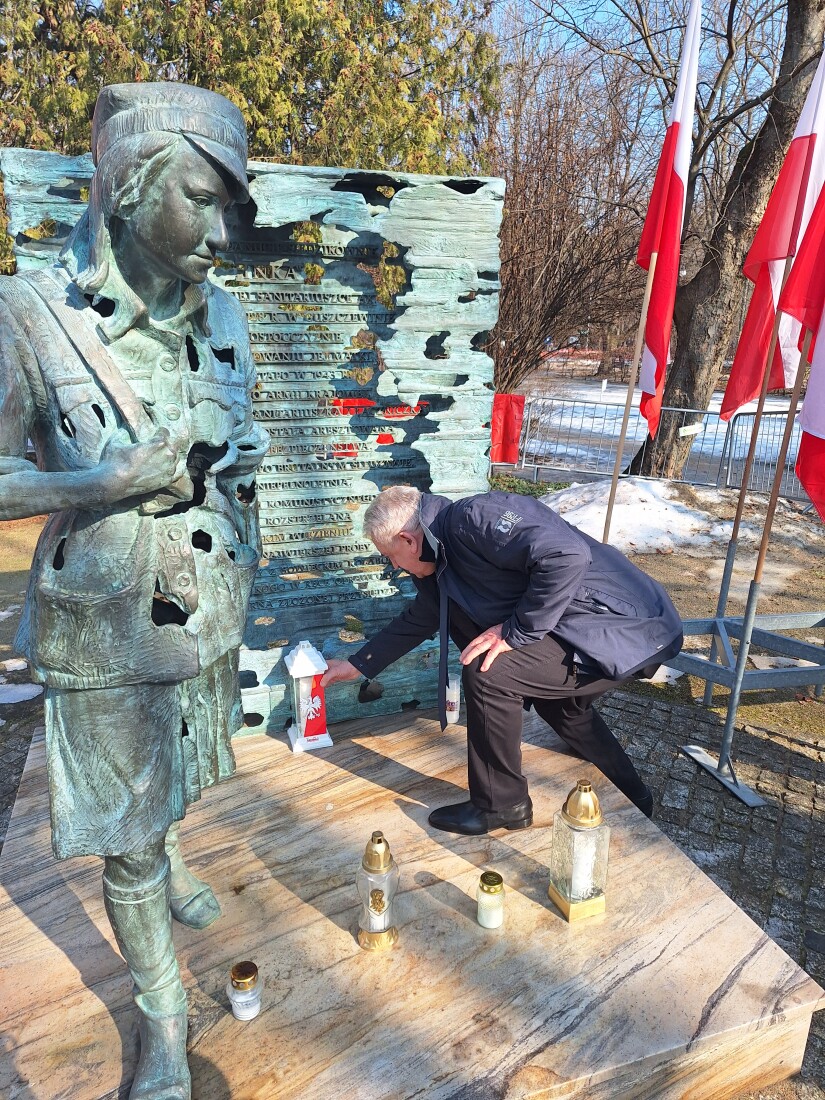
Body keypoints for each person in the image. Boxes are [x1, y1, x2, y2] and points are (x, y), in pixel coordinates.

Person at [0, 83, 268, 1100]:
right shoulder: (28, 314)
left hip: (205, 603)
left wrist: (239, 460)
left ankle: (174, 859)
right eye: (203, 199)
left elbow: (242, 437)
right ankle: (163, 1017)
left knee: (183, 766)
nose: (221, 232)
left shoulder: (224, 310)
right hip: (103, 622)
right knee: (125, 834)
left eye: (230, 207)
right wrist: (101, 484)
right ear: (127, 187)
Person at [322, 486, 683, 834]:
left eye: (390, 556)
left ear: (407, 540)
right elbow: (422, 616)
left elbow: (566, 556)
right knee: (561, 707)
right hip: (599, 627)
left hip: (630, 627)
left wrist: (515, 632)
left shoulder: (474, 518)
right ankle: (635, 794)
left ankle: (501, 804)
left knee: (489, 672)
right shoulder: (438, 558)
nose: (394, 565)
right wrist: (358, 664)